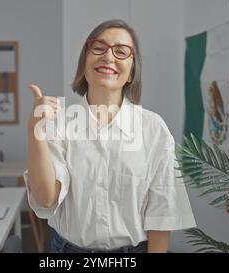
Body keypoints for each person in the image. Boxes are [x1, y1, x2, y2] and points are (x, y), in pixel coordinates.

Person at [24, 19, 196, 253]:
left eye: (121, 51)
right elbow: (45, 198)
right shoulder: (59, 124)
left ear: (130, 74)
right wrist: (36, 131)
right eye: (99, 47)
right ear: (84, 64)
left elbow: (161, 214)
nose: (108, 57)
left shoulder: (153, 129)